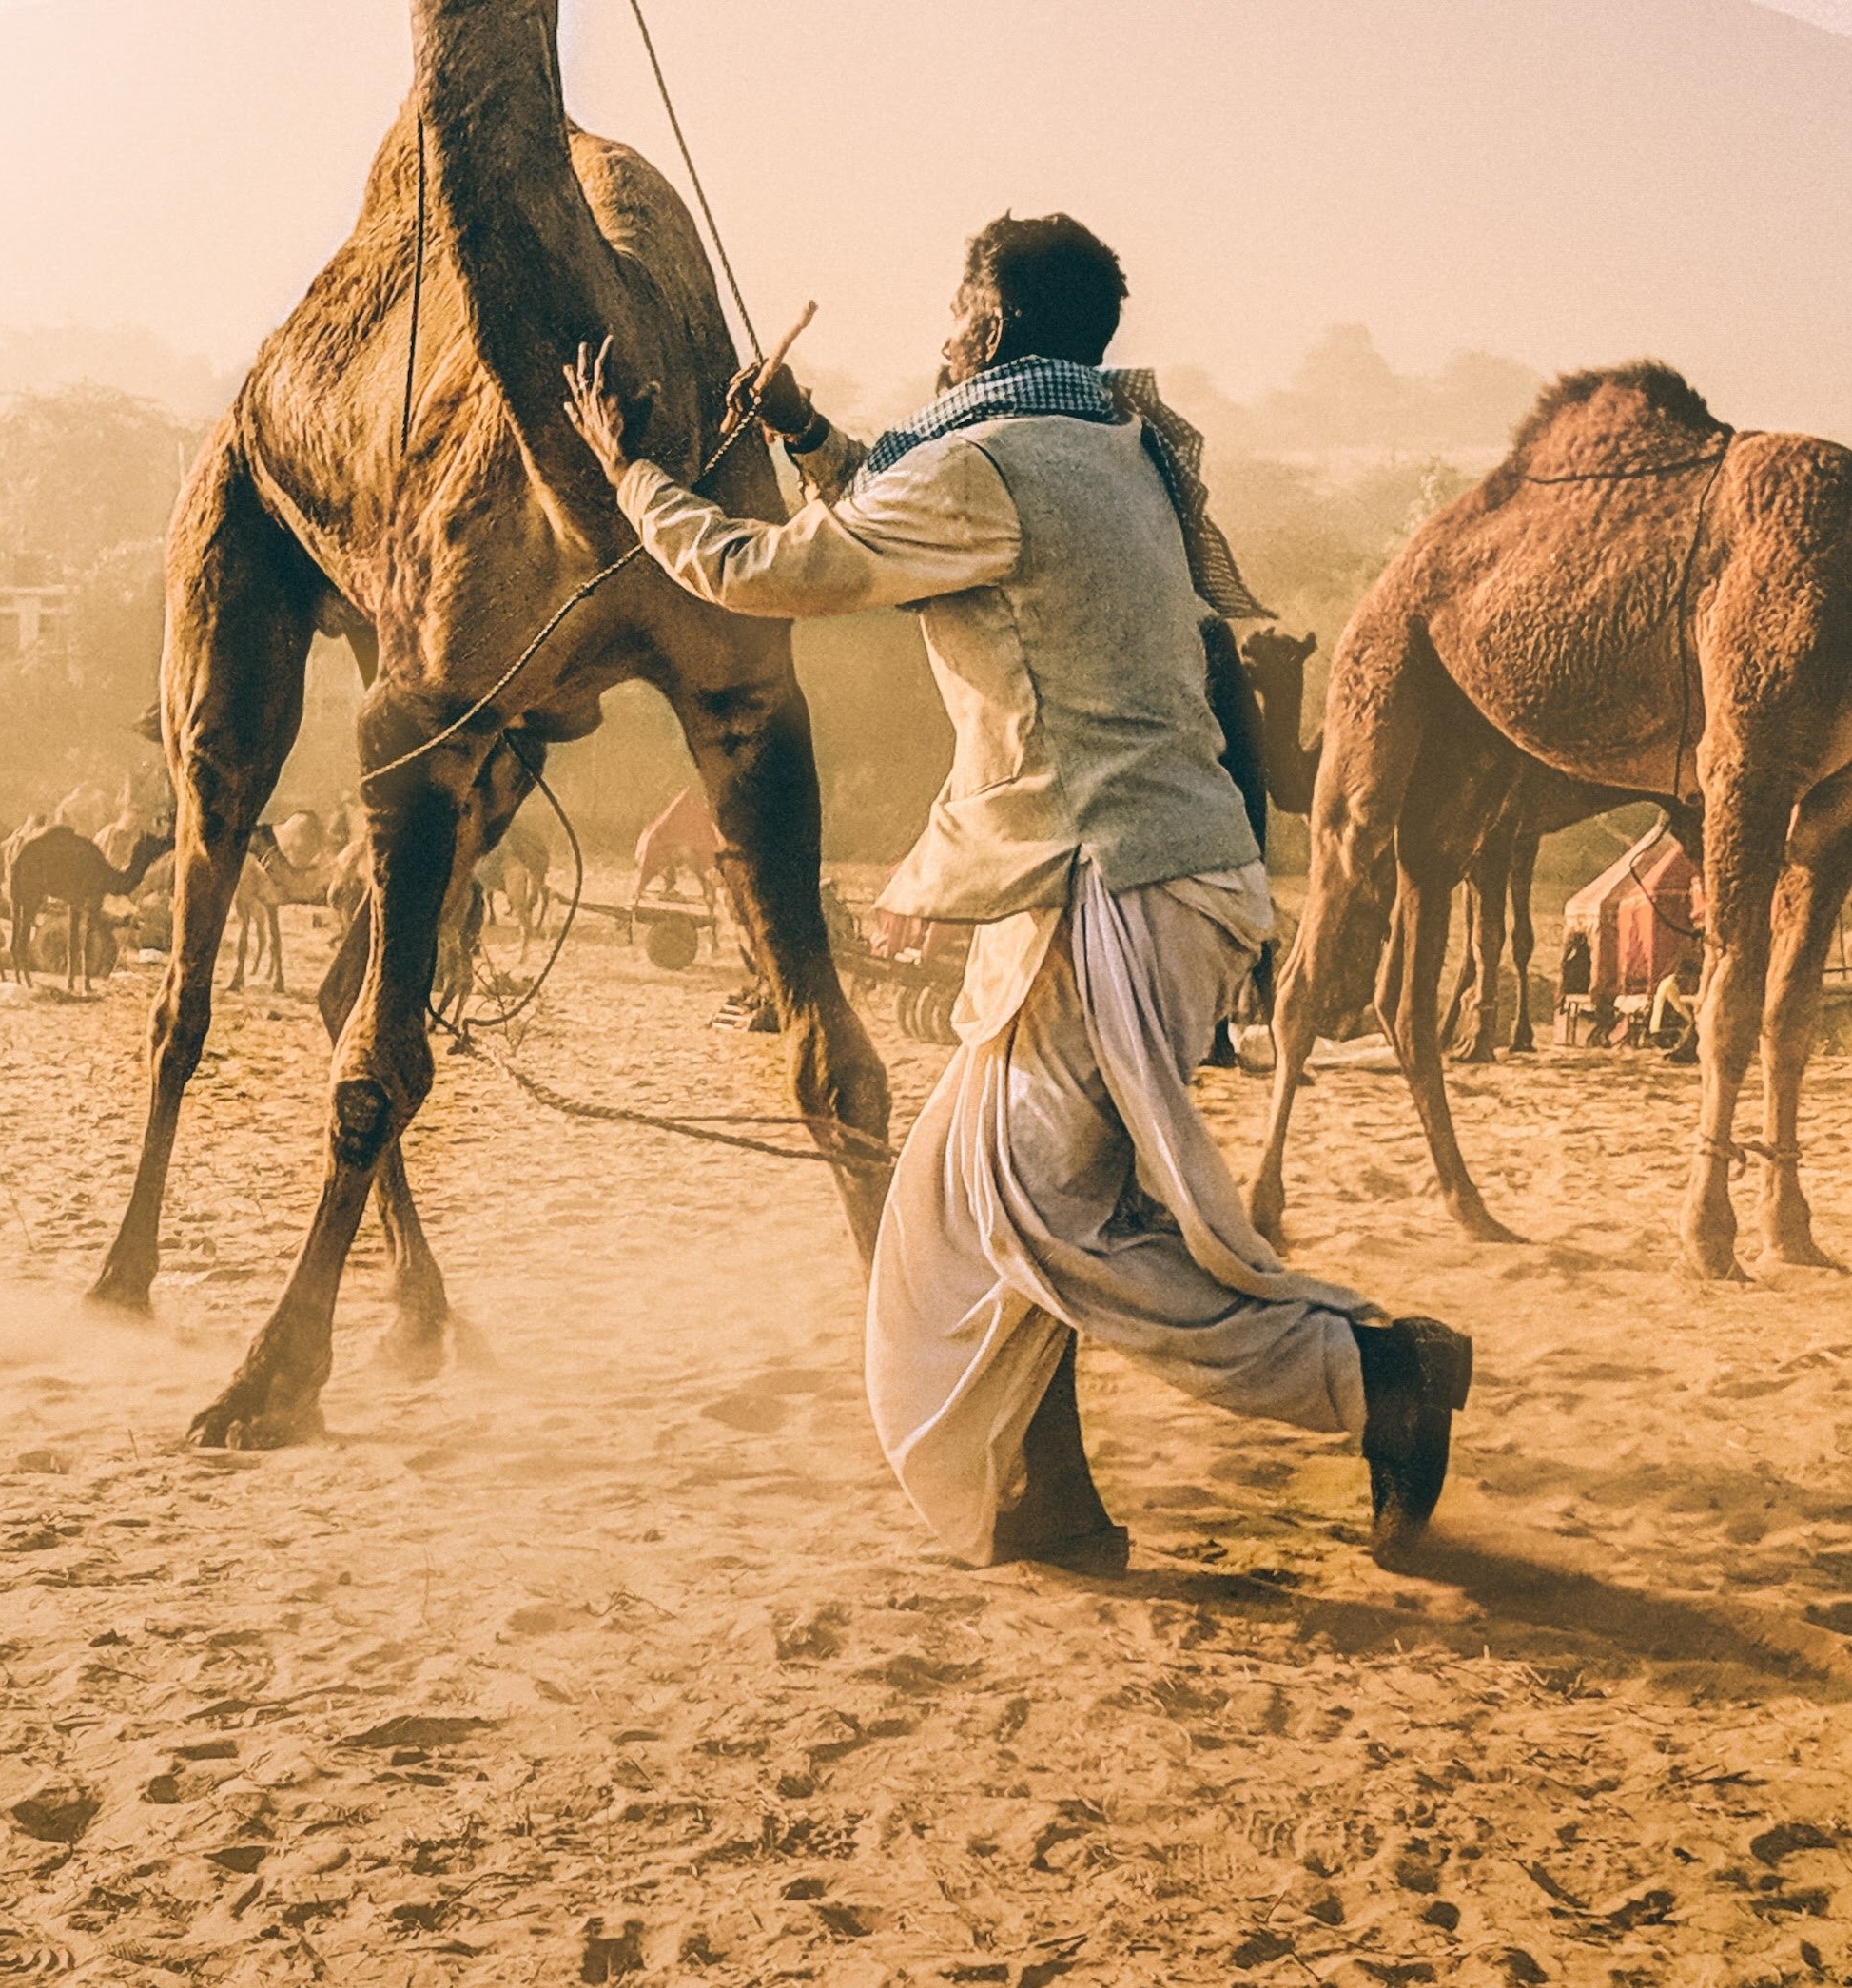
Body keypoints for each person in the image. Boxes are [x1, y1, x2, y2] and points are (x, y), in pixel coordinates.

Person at [564, 212, 1472, 1571]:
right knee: (961, 1202)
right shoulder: (1105, 447)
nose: (940, 335)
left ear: (986, 328)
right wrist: (809, 437)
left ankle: (1367, 1376)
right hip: (1158, 876)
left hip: (1102, 880)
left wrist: (627, 471)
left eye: (952, 310)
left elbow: (767, 573)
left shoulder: (989, 467)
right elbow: (897, 504)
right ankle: (1042, 1494)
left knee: (1049, 1222)